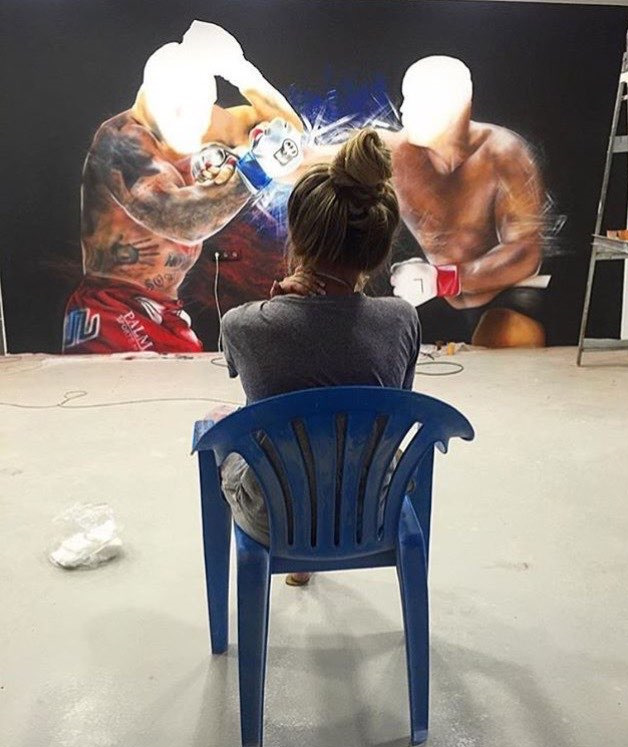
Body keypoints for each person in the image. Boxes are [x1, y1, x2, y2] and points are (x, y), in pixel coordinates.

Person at [219, 128, 421, 585]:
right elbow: (391, 405)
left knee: (226, 426)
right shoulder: (402, 320)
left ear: (298, 236)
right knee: (348, 429)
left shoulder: (243, 325)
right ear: (377, 246)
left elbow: (261, 384)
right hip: (372, 509)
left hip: (276, 517)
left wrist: (276, 299)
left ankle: (301, 556)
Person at [62, 22, 304, 354]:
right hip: (111, 309)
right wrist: (255, 171)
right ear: (156, 102)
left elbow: (289, 136)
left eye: (204, 111)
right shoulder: (120, 144)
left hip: (166, 309)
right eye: (187, 113)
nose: (200, 126)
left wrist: (239, 70)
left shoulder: (196, 115)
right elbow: (181, 220)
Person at [386, 56, 547, 348]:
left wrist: (441, 280)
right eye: (405, 99)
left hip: (499, 298)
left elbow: (525, 252)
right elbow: (313, 160)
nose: (403, 110)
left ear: (452, 107)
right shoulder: (396, 150)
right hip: (431, 298)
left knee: (508, 332)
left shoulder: (503, 153)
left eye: (416, 100)